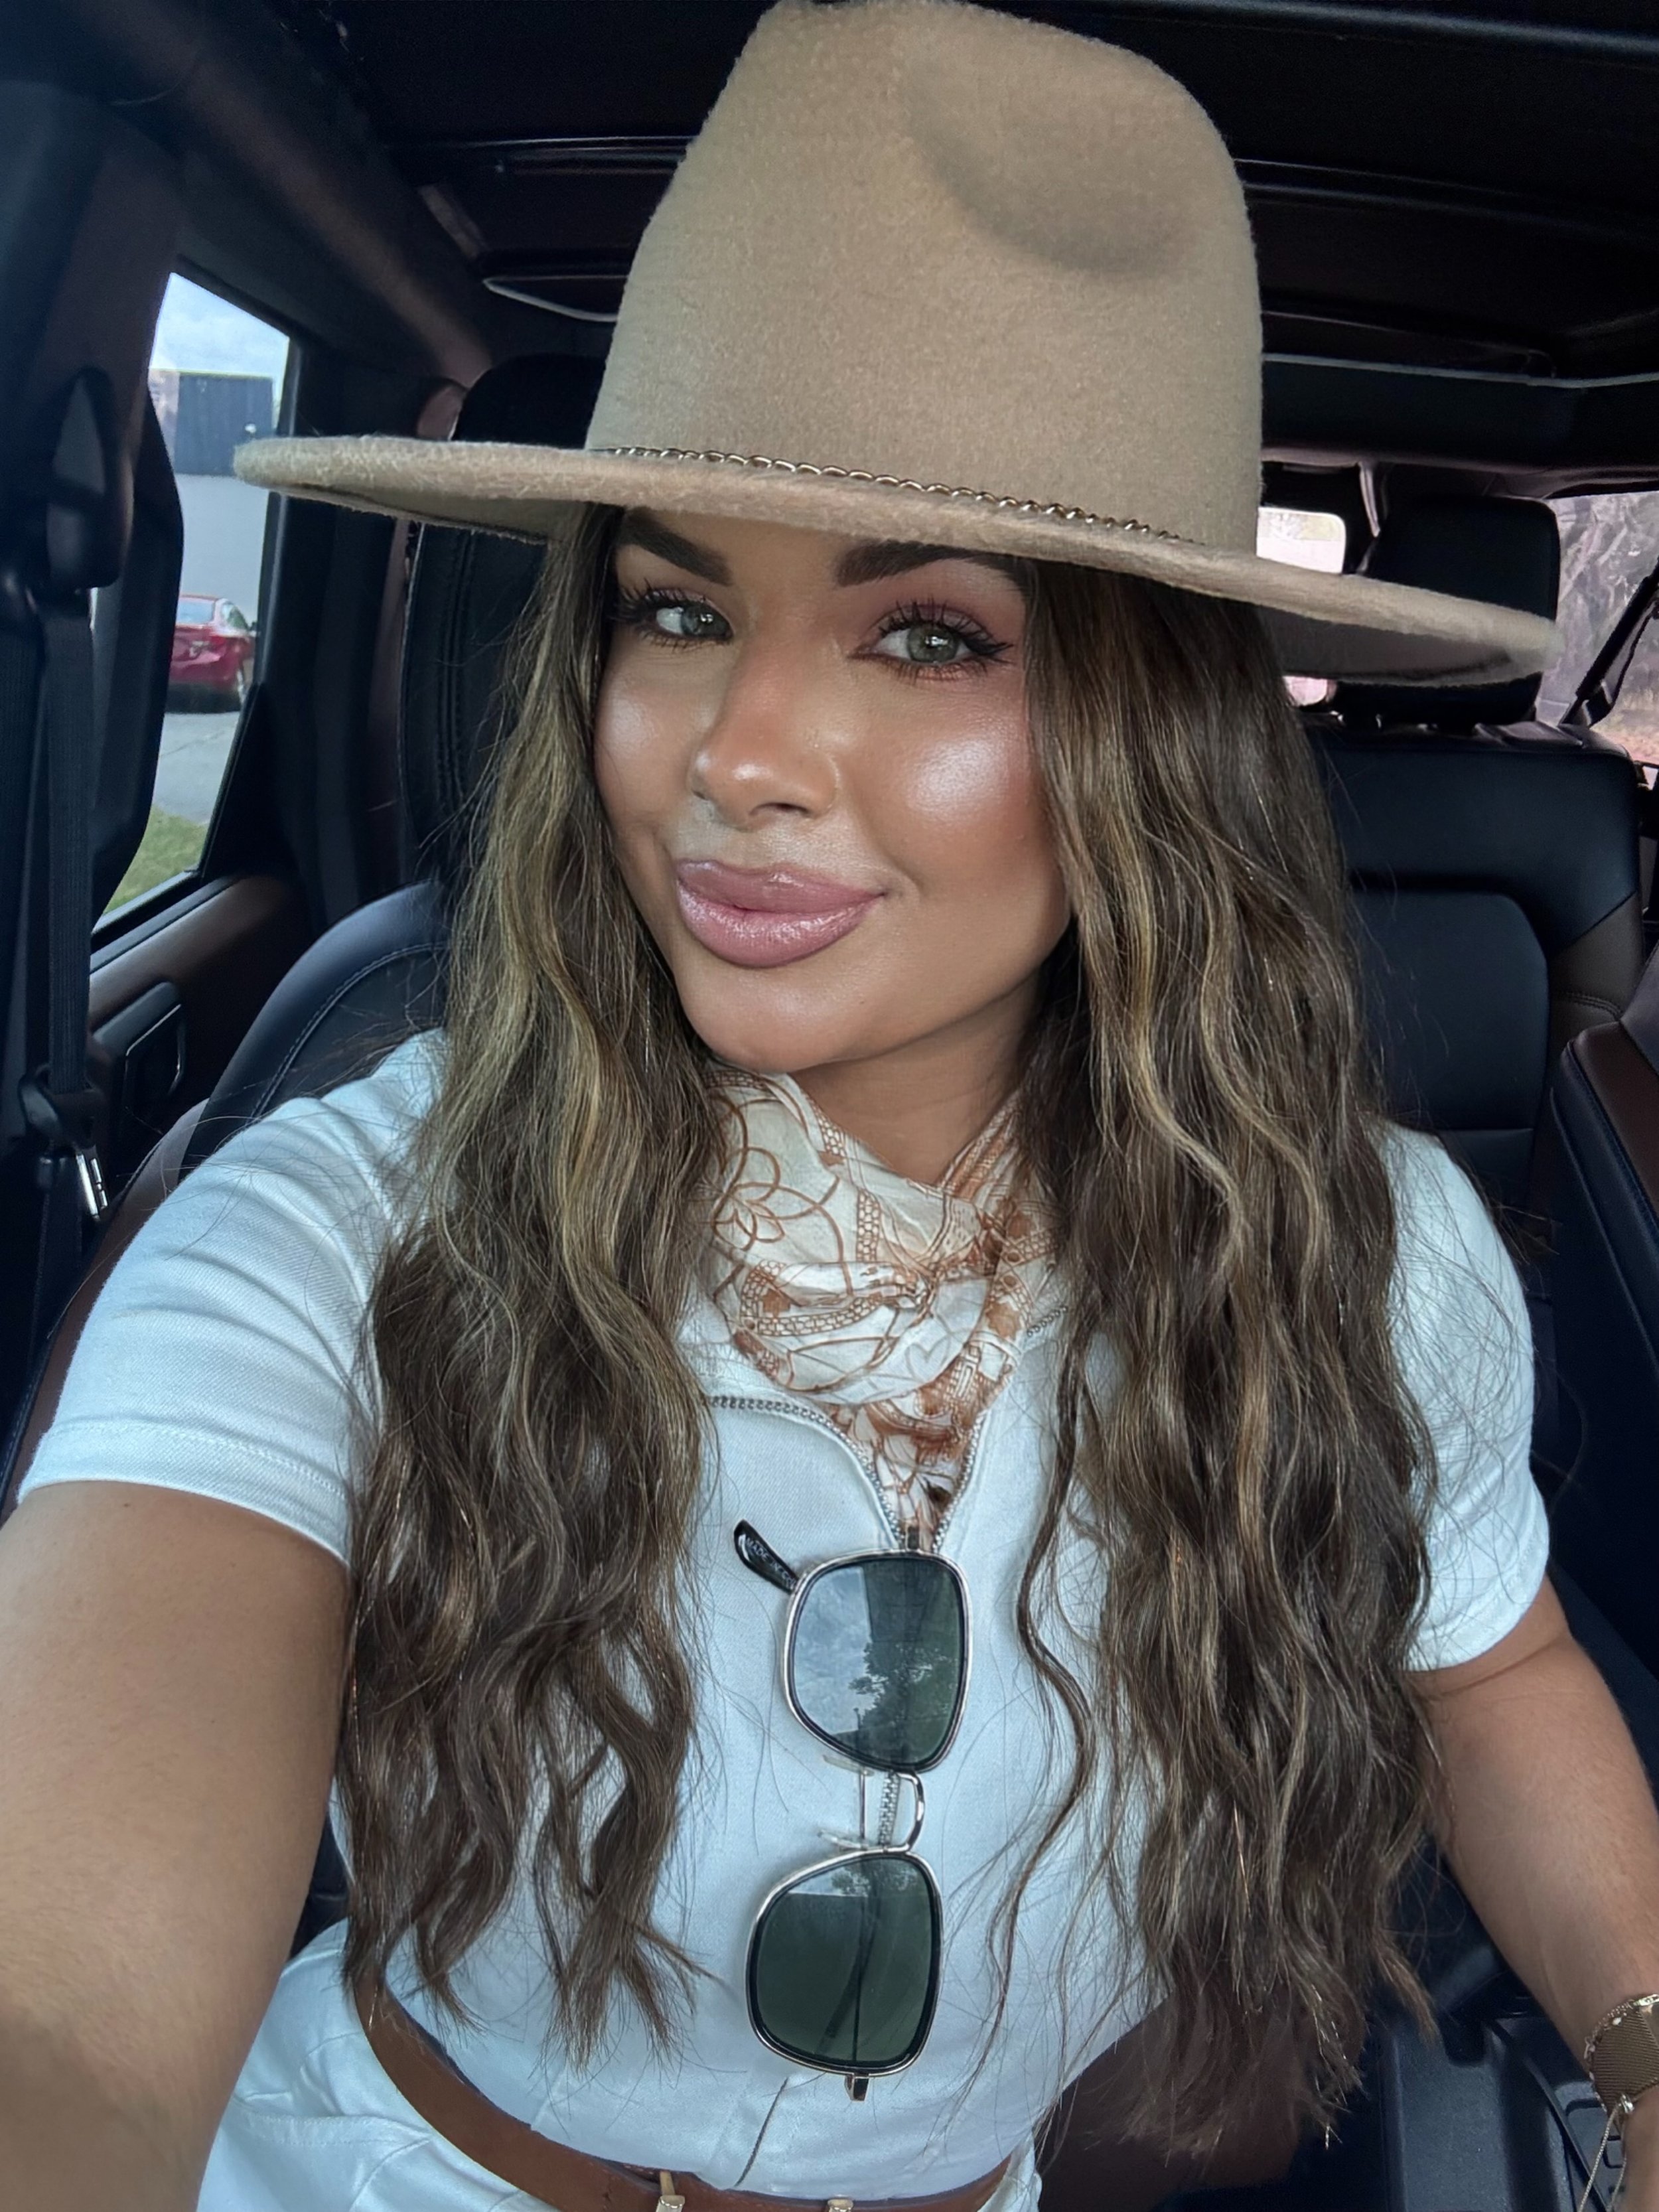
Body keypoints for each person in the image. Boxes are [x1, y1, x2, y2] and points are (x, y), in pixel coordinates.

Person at [3, 4, 1659, 2210]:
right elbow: (63, 2017)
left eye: (926, 637)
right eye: (676, 607)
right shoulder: (341, 1231)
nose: (734, 750)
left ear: (1146, 739)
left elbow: (1495, 1667)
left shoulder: (1357, 1253)